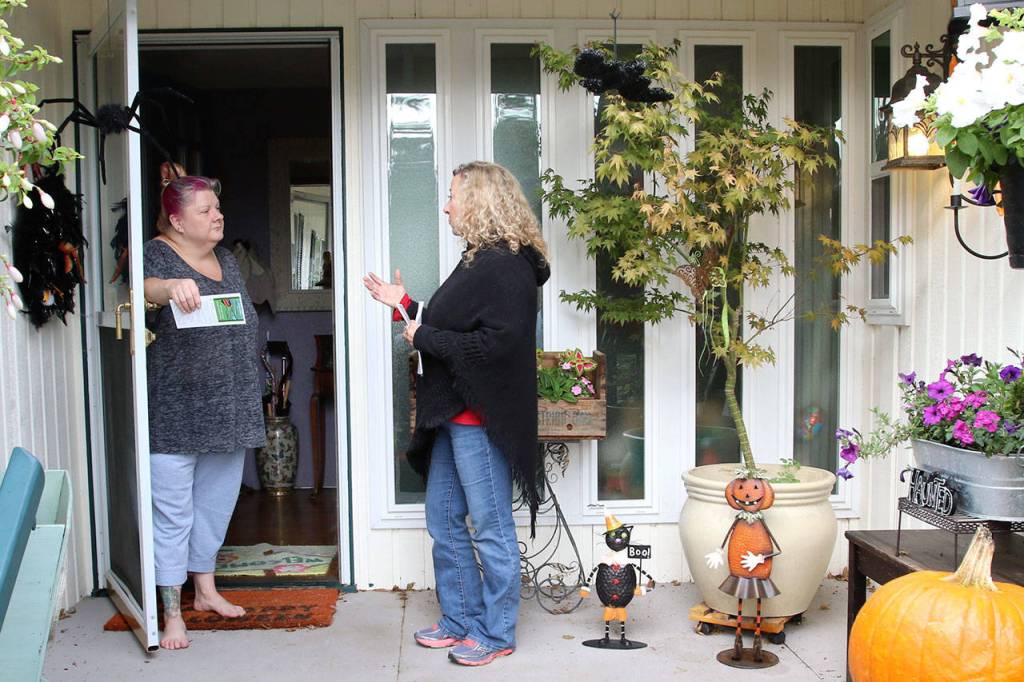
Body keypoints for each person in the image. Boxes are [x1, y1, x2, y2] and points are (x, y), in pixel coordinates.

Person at [363, 161, 549, 667]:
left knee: (490, 528)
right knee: (443, 519)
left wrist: (423, 337)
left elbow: (497, 344)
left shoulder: (506, 266)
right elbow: (456, 322)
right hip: (453, 414)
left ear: (479, 201)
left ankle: (496, 632)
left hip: (481, 418)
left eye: (451, 196)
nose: (445, 205)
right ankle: (460, 619)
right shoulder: (477, 260)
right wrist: (401, 302)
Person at [143, 172, 265, 649]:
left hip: (231, 405)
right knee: (174, 513)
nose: (218, 216)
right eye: (206, 211)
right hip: (178, 409)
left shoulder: (227, 259)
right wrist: (170, 286)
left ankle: (205, 592)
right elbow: (146, 288)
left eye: (218, 208)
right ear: (176, 220)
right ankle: (171, 613)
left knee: (214, 508)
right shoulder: (158, 253)